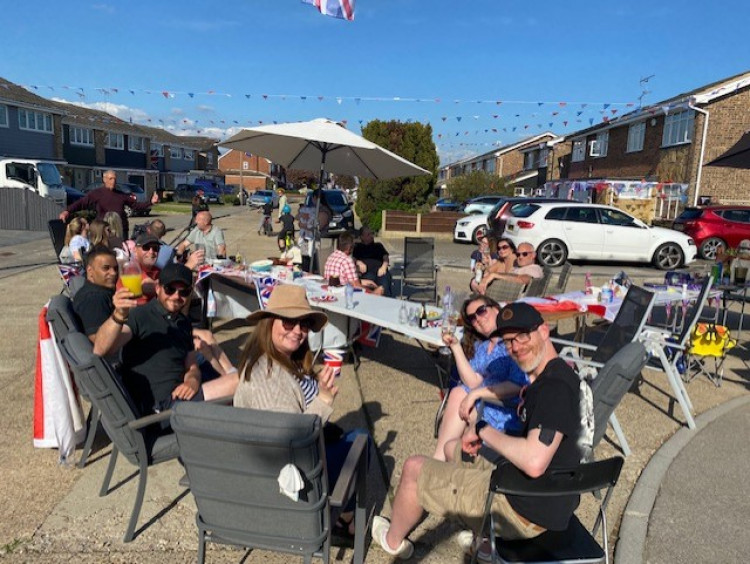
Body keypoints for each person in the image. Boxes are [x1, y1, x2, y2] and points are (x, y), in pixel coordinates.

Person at [372, 302, 588, 560]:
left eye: (522, 336)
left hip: (520, 512)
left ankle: (393, 541)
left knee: (414, 468)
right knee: (453, 448)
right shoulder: (558, 374)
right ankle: (483, 541)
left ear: (544, 331)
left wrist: (483, 429)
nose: (516, 347)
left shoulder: (553, 389)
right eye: (509, 342)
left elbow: (533, 463)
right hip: (538, 493)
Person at [233, 284, 367, 539]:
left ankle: (344, 517)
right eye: (288, 322)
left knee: (352, 437)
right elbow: (292, 439)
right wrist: (324, 399)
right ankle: (345, 519)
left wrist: (317, 389)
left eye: (303, 324)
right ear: (269, 323)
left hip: (288, 462)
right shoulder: (267, 376)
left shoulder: (284, 360)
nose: (297, 330)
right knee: (362, 441)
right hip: (286, 475)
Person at [93, 263, 239, 416]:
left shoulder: (184, 323)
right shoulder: (141, 316)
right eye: (170, 289)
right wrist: (118, 316)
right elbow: (100, 349)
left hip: (180, 399)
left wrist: (192, 381)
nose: (176, 296)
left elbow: (192, 366)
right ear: (157, 288)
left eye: (184, 292)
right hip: (160, 410)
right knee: (238, 381)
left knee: (242, 380)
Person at [433, 295, 528, 461]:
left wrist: (475, 395)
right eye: (472, 318)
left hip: (505, 408)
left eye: (481, 311)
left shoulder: (512, 342)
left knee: (458, 394)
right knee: (458, 393)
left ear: (496, 309)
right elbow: (472, 381)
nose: (478, 319)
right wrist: (455, 346)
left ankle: (438, 461)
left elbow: (517, 385)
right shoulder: (483, 347)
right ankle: (441, 461)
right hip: (483, 403)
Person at [59, 170, 158, 237]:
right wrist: (67, 211)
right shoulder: (97, 193)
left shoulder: (121, 195)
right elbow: (81, 203)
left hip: (121, 230)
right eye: (111, 179)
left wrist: (150, 202)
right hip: (104, 230)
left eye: (115, 179)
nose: (113, 181)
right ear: (104, 179)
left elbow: (136, 206)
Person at [72, 246, 118, 341]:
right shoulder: (95, 299)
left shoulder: (102, 291)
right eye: (106, 268)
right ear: (90, 271)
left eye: (116, 268)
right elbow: (99, 341)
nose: (113, 273)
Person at [479, 242, 543, 295]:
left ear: (533, 255)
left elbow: (526, 279)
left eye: (524, 254)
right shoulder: (521, 267)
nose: (520, 257)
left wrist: (494, 275)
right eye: (518, 254)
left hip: (506, 299)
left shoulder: (534, 268)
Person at [353, 226, 392, 296]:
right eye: (368, 235)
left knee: (384, 285)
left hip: (380, 271)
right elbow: (353, 258)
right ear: (362, 237)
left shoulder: (378, 246)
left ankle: (386, 303)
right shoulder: (357, 247)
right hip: (366, 273)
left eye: (371, 234)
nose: (371, 236)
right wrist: (358, 262)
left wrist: (384, 267)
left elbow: (386, 258)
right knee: (369, 285)